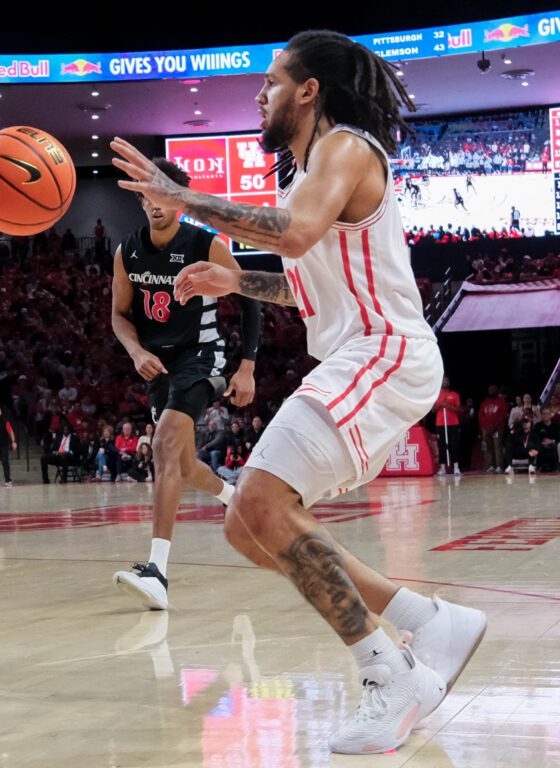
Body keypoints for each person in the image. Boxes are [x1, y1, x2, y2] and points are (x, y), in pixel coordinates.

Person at [111, 31, 485, 755]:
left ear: (309, 90)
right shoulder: (309, 175)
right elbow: (305, 284)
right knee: (247, 526)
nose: (261, 93)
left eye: (273, 82)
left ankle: (389, 671)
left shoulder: (346, 148)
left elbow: (295, 233)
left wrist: (181, 197)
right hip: (362, 355)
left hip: (386, 352)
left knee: (257, 499)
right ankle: (428, 621)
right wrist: (234, 281)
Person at [110, 156, 260, 610]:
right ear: (140, 200)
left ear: (177, 199)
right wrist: (136, 351)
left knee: (161, 450)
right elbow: (119, 314)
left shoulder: (205, 243)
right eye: (147, 195)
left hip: (202, 355)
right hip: (159, 363)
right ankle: (234, 497)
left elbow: (249, 293)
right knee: (185, 465)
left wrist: (247, 366)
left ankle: (157, 572)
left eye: (162, 194)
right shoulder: (128, 252)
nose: (154, 203)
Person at [434, 376, 463, 476]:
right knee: (441, 445)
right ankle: (442, 468)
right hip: (440, 424)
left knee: (454, 445)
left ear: (449, 383)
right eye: (442, 381)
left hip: (453, 423)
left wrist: (448, 406)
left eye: (446, 380)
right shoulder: (436, 395)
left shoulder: (454, 395)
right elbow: (433, 410)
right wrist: (440, 405)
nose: (444, 382)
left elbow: (459, 410)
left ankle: (456, 467)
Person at [478, 385, 508, 472]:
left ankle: (499, 466)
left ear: (496, 391)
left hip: (497, 428)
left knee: (497, 446)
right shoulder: (485, 402)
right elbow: (480, 415)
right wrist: (484, 427)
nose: (491, 392)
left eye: (493, 390)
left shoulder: (502, 402)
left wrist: (495, 426)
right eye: (490, 390)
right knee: (487, 447)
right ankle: (490, 466)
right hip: (485, 429)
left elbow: (503, 415)